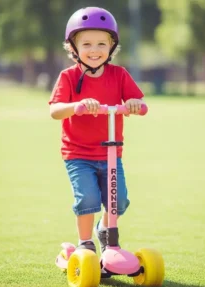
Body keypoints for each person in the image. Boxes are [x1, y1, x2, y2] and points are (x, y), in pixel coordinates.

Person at [49, 7, 145, 254]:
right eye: (87, 44)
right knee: (88, 200)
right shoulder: (68, 77)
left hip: (112, 153)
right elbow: (55, 110)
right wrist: (76, 106)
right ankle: (85, 243)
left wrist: (135, 104)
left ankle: (105, 230)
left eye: (102, 43)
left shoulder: (119, 75)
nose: (95, 50)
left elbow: (139, 103)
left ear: (112, 47)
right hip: (78, 154)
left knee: (118, 201)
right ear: (73, 48)